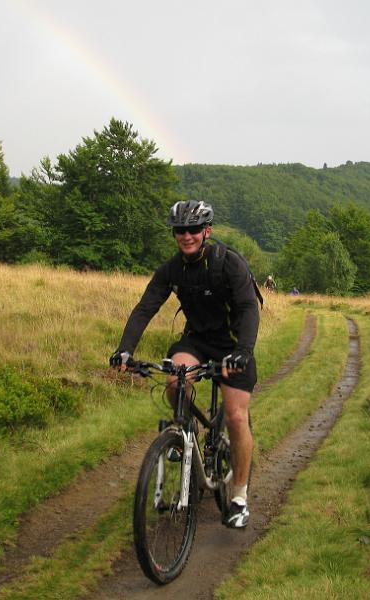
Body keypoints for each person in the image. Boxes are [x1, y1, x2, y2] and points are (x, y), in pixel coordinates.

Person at [110, 200, 260, 529]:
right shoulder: (172, 269)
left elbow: (249, 308)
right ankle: (185, 434)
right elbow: (145, 307)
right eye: (180, 230)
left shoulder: (228, 263)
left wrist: (244, 351)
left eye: (193, 229)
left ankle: (239, 497)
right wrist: (125, 350)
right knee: (175, 379)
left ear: (207, 231)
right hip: (197, 340)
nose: (186, 235)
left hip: (233, 344)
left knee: (236, 417)